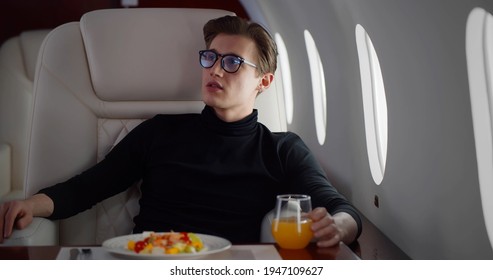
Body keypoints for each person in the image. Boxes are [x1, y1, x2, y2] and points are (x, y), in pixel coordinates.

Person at [0, 15, 361, 247]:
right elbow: (88, 187)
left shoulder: (281, 149)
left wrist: (339, 227)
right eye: (210, 58)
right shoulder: (160, 132)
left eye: (232, 62)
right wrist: (30, 205)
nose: (215, 70)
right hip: (147, 260)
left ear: (263, 81)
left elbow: (341, 209)